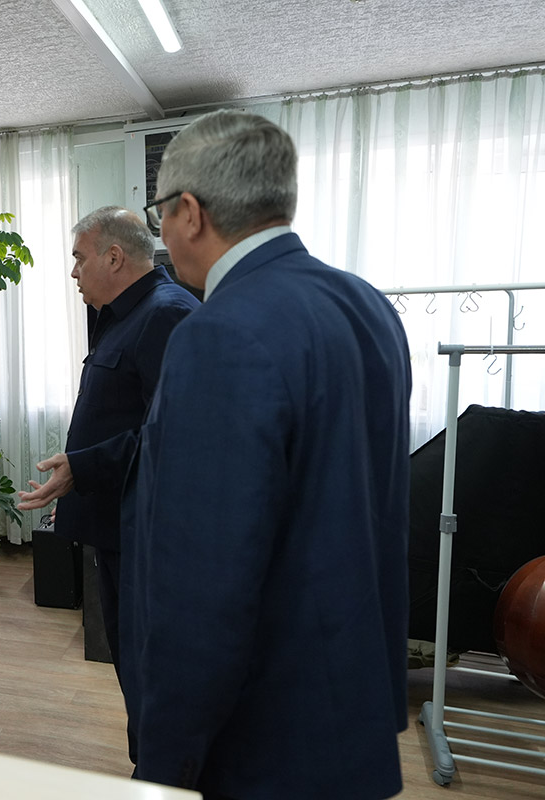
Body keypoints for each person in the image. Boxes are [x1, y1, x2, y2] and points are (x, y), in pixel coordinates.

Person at [121, 110, 411, 799]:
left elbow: (204, 583)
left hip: (267, 739)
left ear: (190, 212)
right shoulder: (368, 305)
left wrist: (167, 765)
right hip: (353, 708)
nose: (162, 235)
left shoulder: (217, 333)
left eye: (159, 214)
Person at [17, 206, 198, 764]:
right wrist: (78, 475)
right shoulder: (123, 314)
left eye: (79, 257)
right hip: (118, 526)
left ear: (114, 257)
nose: (73, 271)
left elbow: (178, 435)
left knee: (153, 675)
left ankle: (162, 775)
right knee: (134, 670)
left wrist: (83, 466)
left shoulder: (167, 315)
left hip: (152, 537)